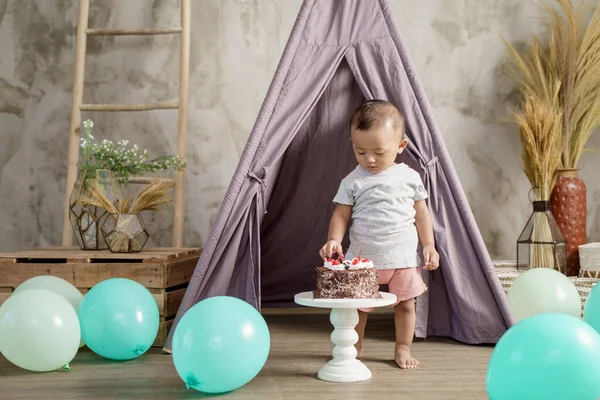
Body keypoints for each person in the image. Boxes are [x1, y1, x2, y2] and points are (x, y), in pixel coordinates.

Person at [319, 99, 440, 369]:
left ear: (400, 147)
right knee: (357, 310)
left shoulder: (409, 177)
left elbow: (422, 214)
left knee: (406, 306)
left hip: (403, 258)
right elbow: (341, 214)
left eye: (378, 152)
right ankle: (354, 347)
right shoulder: (353, 180)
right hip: (363, 260)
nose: (369, 159)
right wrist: (334, 239)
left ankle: (402, 348)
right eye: (360, 151)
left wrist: (429, 245)